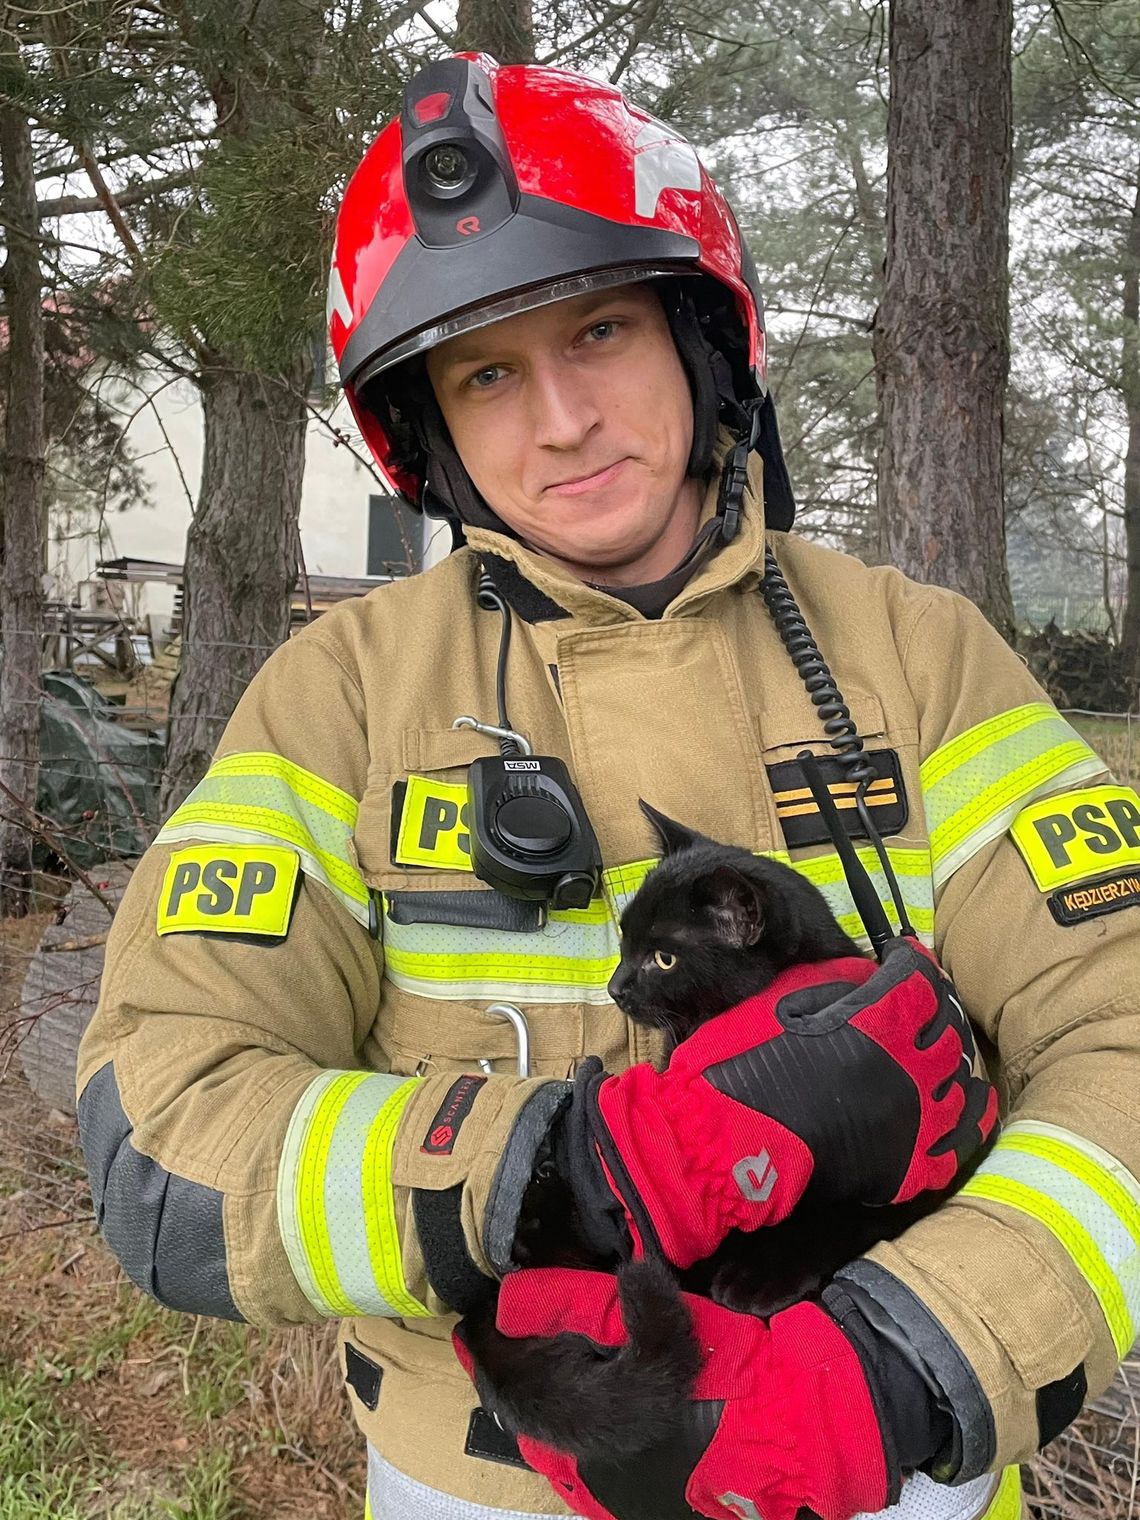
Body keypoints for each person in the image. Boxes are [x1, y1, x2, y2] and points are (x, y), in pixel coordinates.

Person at [76, 51, 1140, 1520]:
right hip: (489, 1478)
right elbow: (162, 1128)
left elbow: (1124, 1024)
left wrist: (910, 1353)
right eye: (488, 372)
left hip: (891, 1462)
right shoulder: (341, 696)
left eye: (601, 331)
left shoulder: (921, 658)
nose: (562, 419)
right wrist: (553, 1176)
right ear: (431, 431)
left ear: (702, 339)